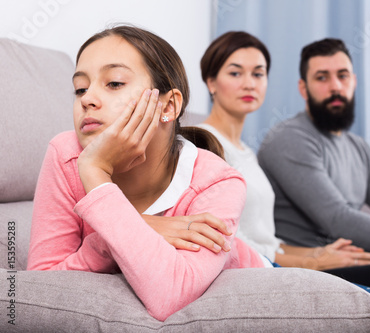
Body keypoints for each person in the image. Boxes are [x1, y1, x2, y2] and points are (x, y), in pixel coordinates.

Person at [197, 30, 370, 333]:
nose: (249, 83)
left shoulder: (248, 151)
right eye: (235, 72)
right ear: (211, 81)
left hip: (287, 261)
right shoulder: (209, 145)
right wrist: (314, 260)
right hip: (268, 273)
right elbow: (331, 219)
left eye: (258, 73)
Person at [26, 25, 268, 322]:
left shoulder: (219, 182)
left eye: (114, 83)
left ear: (168, 105)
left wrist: (98, 175)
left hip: (263, 280)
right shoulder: (67, 156)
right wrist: (135, 229)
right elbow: (36, 291)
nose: (87, 99)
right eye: (80, 88)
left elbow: (170, 296)